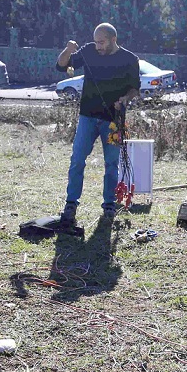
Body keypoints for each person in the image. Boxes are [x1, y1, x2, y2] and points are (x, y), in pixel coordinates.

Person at [55, 23, 141, 224]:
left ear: (113, 39)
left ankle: (109, 205)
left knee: (111, 164)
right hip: (87, 116)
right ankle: (71, 204)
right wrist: (68, 50)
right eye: (96, 41)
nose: (98, 46)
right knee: (77, 159)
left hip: (113, 120)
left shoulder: (130, 59)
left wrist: (125, 100)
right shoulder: (89, 51)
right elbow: (61, 66)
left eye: (101, 42)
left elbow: (135, 88)